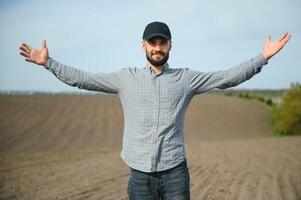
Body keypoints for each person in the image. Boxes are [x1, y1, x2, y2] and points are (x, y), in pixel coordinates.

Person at [19, 21, 291, 200]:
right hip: (139, 174)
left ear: (170, 45)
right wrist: (48, 63)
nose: (157, 47)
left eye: (162, 42)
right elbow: (82, 78)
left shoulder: (186, 79)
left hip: (175, 173)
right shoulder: (125, 78)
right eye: (152, 43)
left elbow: (227, 77)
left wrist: (262, 58)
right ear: (143, 45)